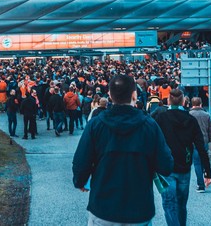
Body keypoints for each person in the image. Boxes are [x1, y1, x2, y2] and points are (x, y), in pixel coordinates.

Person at [73, 74, 174, 225]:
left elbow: (81, 160)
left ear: (110, 95)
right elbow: (166, 165)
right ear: (134, 95)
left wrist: (80, 181)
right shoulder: (149, 125)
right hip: (139, 208)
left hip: (103, 206)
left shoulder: (95, 125)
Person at [151, 89, 211, 226]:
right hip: (184, 166)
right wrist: (207, 171)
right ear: (184, 101)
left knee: (169, 204)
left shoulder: (161, 118)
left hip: (166, 168)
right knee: (181, 205)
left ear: (168, 101)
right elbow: (201, 147)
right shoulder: (191, 120)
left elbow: (153, 143)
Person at [189, 96, 211, 193]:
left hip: (194, 142)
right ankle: (206, 175)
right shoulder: (206, 115)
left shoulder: (189, 114)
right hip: (204, 141)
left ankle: (200, 185)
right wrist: (209, 139)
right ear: (201, 104)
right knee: (204, 160)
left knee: (197, 163)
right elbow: (210, 130)